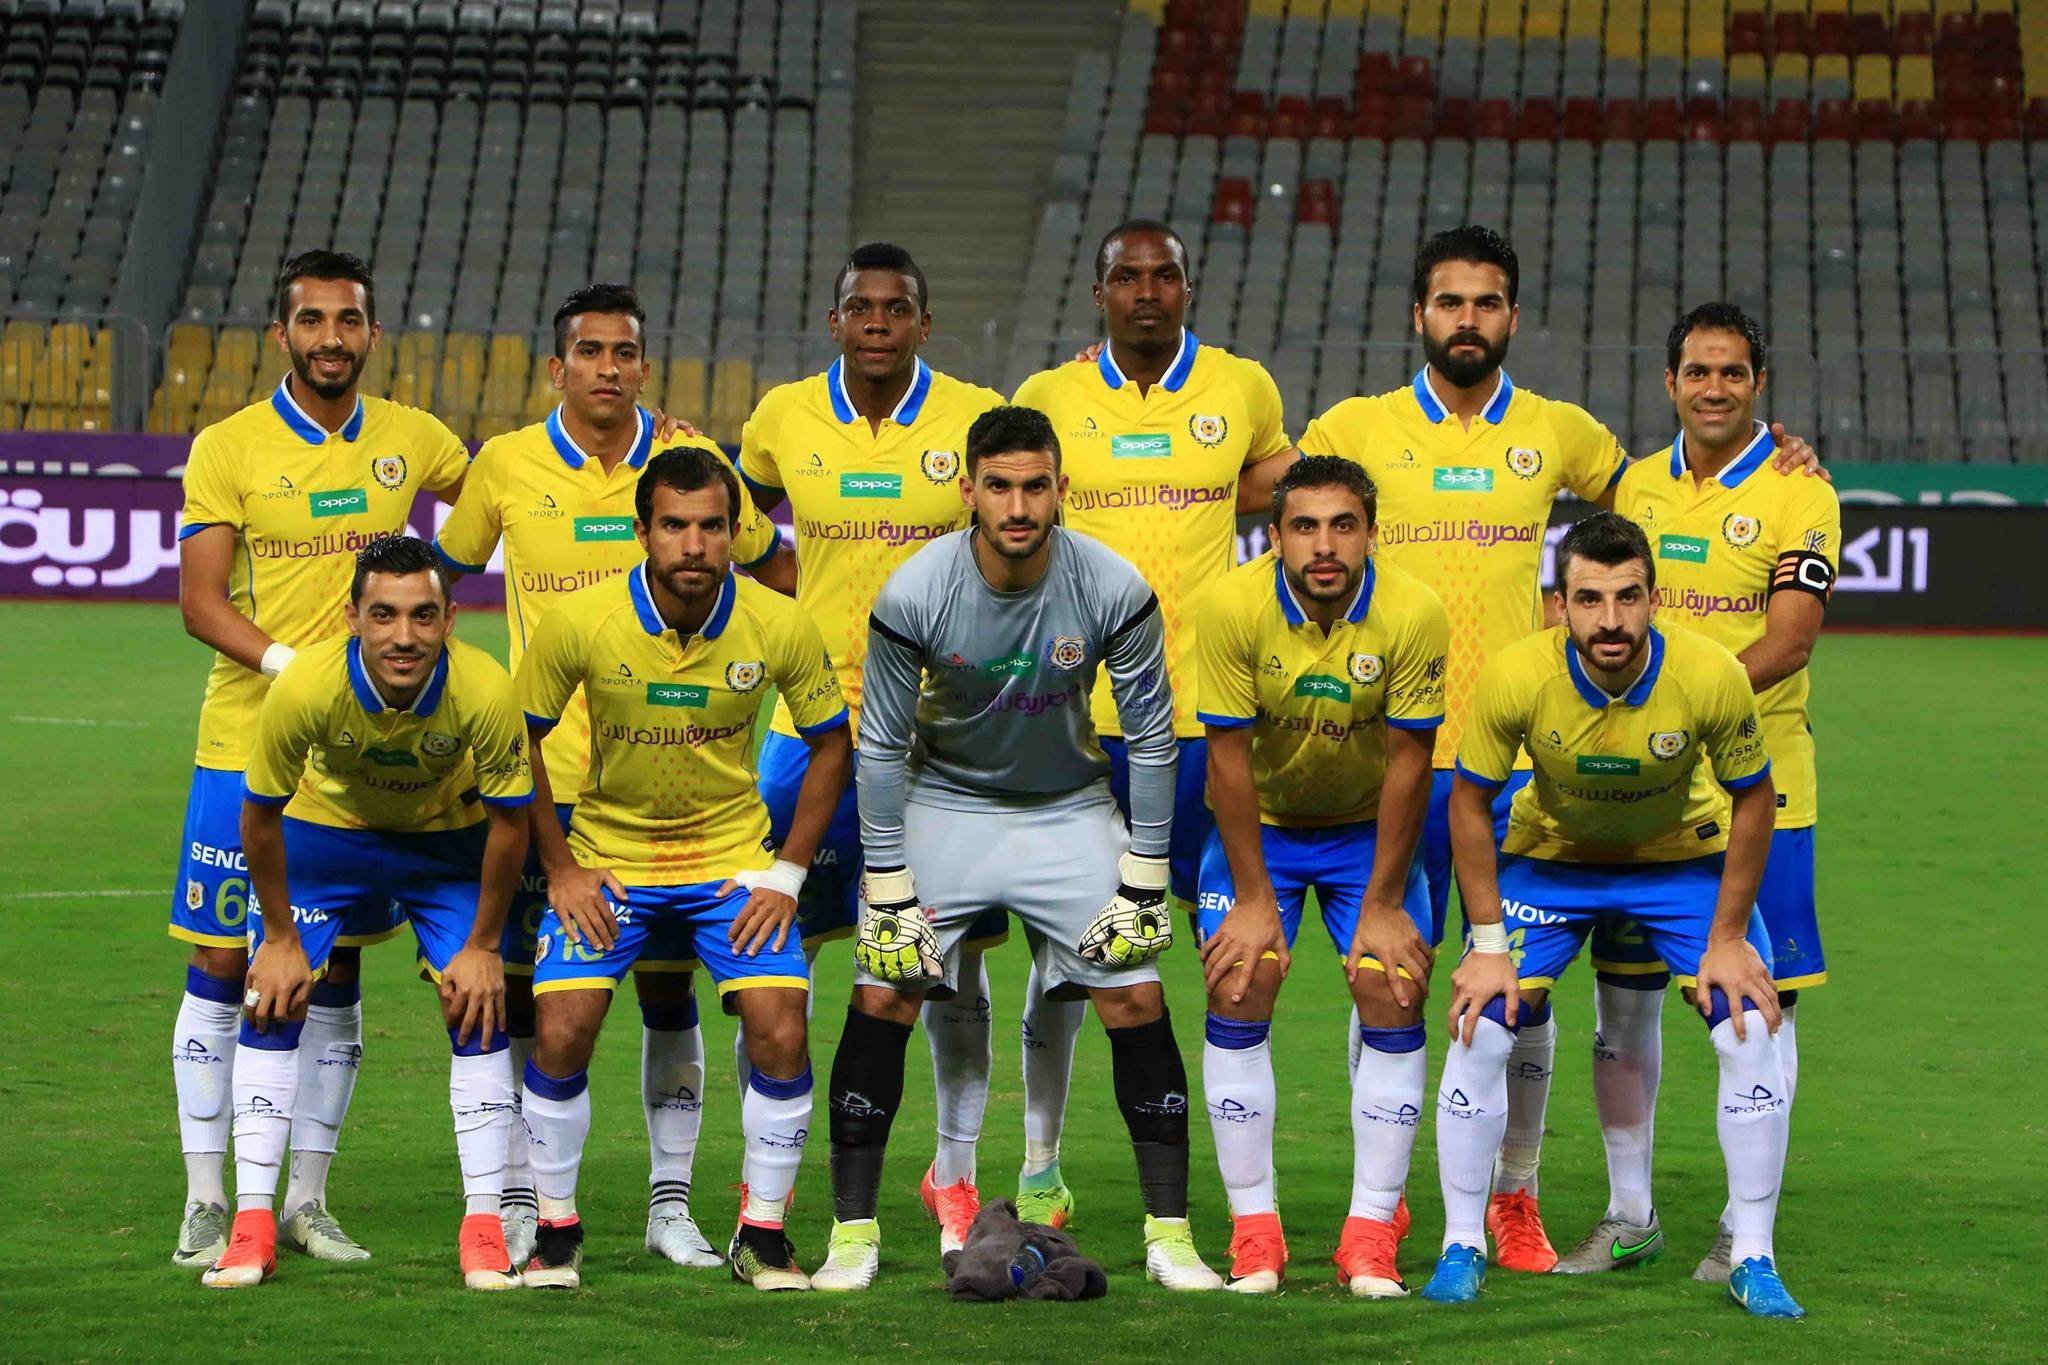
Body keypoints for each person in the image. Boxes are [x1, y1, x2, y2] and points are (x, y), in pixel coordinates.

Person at [1296, 225, 1822, 1268]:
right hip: (1389, 754)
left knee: (1514, 987)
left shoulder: (1561, 432)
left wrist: (1774, 451)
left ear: (1511, 317)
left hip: (1516, 764)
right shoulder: (1352, 427)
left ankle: (1515, 1196)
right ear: (1419, 314)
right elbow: (1261, 481)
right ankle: (1379, 1202)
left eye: (1487, 302)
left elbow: (1661, 503)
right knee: (1388, 978)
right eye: (1450, 301)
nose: (1468, 319)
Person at [811, 405, 1221, 1293]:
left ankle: (1171, 1234)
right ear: (969, 491)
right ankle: (852, 1233)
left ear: (1061, 488)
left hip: (1067, 809)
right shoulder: (916, 591)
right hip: (944, 804)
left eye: (1036, 485)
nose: (1019, 505)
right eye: (999, 486)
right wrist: (887, 878)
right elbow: (878, 744)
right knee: (883, 990)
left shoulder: (1112, 585)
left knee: (1135, 994)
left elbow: (1154, 737)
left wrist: (1145, 875)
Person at [433, 282, 793, 1270]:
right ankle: (523, 1198)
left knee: (671, 998)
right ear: (558, 368)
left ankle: (669, 1206)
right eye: (588, 351)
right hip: (538, 790)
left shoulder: (689, 465)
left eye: (623, 351)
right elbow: (435, 580)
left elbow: (778, 573)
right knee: (530, 1000)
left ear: (643, 366)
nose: (606, 367)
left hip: (674, 799)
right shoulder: (505, 464)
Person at [1422, 512, 1802, 1320]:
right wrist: (1487, 944)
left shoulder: (1709, 672)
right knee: (1480, 1023)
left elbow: (1755, 796)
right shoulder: (1517, 673)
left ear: (1653, 599)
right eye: (1590, 599)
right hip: (1553, 861)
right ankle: (1462, 1244)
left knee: (1748, 1026)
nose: (1611, 619)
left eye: (1628, 597)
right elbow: (1469, 798)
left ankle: (1753, 1255)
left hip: (1678, 862)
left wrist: (1728, 938)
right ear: (1560, 605)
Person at [170, 249, 470, 1270]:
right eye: (312, 320)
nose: (331, 338)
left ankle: (306, 1199)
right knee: (225, 960)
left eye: (348, 320)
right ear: (282, 333)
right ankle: (207, 1197)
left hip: (362, 756)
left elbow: (510, 496)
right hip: (246, 738)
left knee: (332, 966)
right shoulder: (229, 446)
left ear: (372, 334)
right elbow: (200, 601)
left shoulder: (413, 437)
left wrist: (647, 436)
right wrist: (293, 666)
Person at [1006, 217, 1295, 1225]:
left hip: (1206, 722)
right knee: (1065, 958)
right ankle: (1039, 1161)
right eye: (1125, 277)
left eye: (1162, 275)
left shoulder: (1240, 387)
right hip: (1075, 724)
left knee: (1230, 956)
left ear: (1186, 287)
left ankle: (1236, 1191)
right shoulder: (1047, 398)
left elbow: (1279, 484)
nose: (1144, 292)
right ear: (1098, 294)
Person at [513, 447, 851, 1291]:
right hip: (611, 862)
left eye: (711, 526)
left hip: (731, 860)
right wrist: (561, 867)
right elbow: (518, 739)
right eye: (674, 526)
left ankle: (762, 1235)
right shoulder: (582, 619)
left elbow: (831, 743)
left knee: (781, 1026)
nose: (694, 545)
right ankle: (556, 1231)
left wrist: (788, 874)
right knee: (562, 1027)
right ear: (642, 531)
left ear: (736, 531)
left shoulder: (778, 621)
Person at [737, 242, 1017, 1250]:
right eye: (861, 306)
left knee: (950, 965)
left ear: (922, 325)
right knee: (775, 956)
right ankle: (764, 1180)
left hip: (943, 738)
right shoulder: (782, 416)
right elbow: (738, 517)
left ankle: (954, 1175)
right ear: (836, 321)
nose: (878, 322)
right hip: (805, 730)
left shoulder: (974, 415)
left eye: (897, 308)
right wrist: (788, 585)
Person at [1554, 304, 1839, 1281]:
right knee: (1623, 1000)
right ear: (1669, 382)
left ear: (1757, 382)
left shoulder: (1801, 491)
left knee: (1761, 1004)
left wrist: (1677, 707)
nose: (1713, 388)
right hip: (1645, 787)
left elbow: (1789, 640)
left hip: (1764, 779)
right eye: (1697, 372)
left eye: (1731, 372)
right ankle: (1628, 1213)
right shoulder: (1636, 483)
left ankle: (1740, 1224)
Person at [201, 535, 532, 1290]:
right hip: (327, 835)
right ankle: (251, 1228)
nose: (403, 636)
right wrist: (279, 937)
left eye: (422, 615)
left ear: (450, 619)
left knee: (479, 1003)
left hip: (444, 842)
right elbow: (259, 816)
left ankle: (483, 1229)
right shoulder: (306, 685)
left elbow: (511, 825)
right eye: (383, 614)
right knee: (272, 997)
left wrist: (484, 945)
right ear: (352, 617)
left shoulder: (484, 689)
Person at [1192, 455, 1446, 1296]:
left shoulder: (1414, 610)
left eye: (1344, 525)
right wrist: (1252, 898)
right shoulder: (1231, 606)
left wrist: (1384, 901)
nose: (1324, 545)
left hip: (1368, 831)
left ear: (1372, 534)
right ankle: (1254, 1232)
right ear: (1275, 537)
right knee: (1240, 976)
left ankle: (1370, 1232)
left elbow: (1412, 761)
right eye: (1305, 526)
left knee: (1393, 984)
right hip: (1261, 828)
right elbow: (1226, 760)